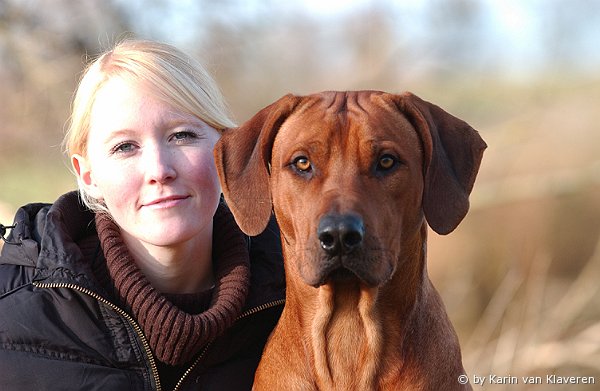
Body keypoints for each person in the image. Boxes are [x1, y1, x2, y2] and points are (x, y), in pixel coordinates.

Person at [0, 39, 285, 391]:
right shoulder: (10, 321)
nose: (159, 170)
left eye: (182, 135)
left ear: (225, 149)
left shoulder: (299, 303)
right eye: (125, 147)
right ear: (87, 174)